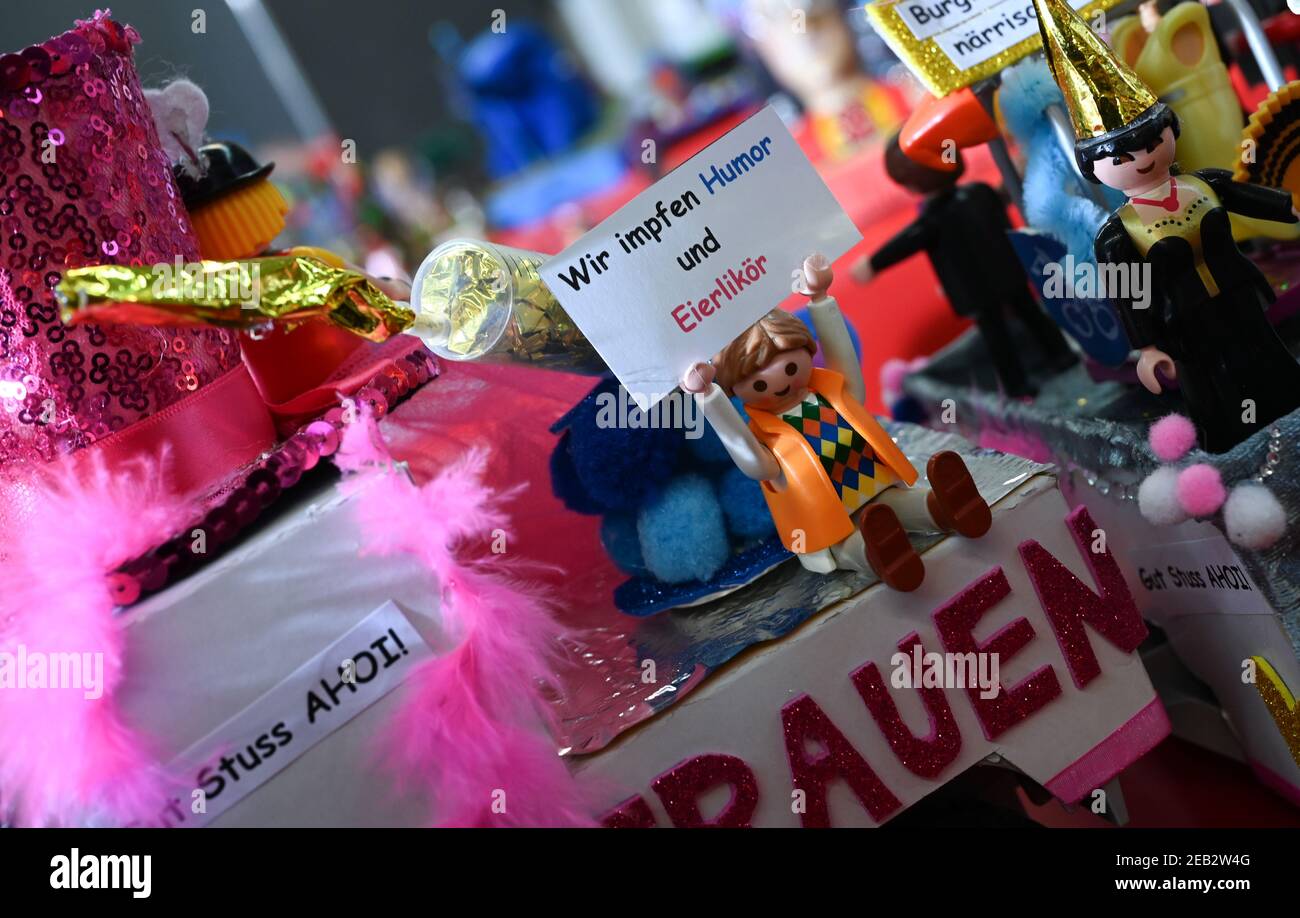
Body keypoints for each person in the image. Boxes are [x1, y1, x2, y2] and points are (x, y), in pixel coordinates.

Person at [1031, 0, 1300, 452]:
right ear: (1094, 167)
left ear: (1171, 130)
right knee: (1211, 382)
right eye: (1122, 156)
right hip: (1186, 323)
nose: (1144, 158)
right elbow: (1130, 295)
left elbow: (1255, 198)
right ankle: (1227, 431)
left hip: (1239, 298)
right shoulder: (1119, 233)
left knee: (1265, 355)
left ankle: (1286, 398)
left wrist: (1290, 208)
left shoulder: (1205, 184)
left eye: (1155, 139)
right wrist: (1148, 348)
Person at [681, 255, 991, 591]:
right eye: (759, 384)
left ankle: (944, 508)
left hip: (873, 484)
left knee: (899, 505)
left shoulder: (833, 393)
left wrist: (820, 299)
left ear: (806, 351)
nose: (780, 383)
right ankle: (879, 556)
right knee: (849, 544)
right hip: (826, 520)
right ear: (736, 392)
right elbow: (754, 463)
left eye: (790, 368)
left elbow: (843, 359)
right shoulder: (767, 435)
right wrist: (709, 398)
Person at [852, 135, 1076, 396]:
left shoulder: (933, 218)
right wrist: (1015, 174)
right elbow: (1002, 196)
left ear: (912, 183)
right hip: (1009, 273)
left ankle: (1017, 385)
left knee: (997, 336)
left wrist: (873, 263)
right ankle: (1061, 355)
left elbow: (905, 242)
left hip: (977, 291)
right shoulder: (979, 192)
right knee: (1031, 314)